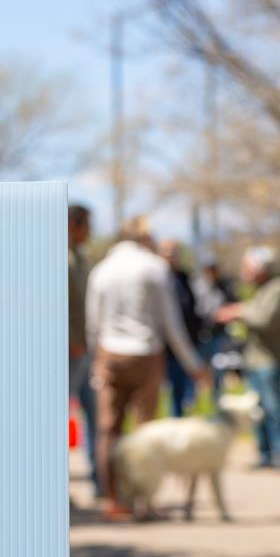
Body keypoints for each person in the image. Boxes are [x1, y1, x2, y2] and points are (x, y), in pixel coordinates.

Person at [87, 216, 210, 519]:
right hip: (145, 354)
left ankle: (113, 498)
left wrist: (96, 361)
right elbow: (171, 323)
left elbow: (93, 323)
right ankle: (144, 501)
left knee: (109, 428)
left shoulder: (101, 270)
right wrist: (193, 363)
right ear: (145, 238)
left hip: (110, 354)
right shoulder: (153, 268)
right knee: (146, 431)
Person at [216, 246, 280, 470]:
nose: (246, 273)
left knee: (273, 408)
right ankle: (266, 454)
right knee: (257, 411)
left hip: (269, 360)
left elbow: (265, 320)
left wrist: (239, 312)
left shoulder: (279, 289)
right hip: (255, 359)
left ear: (262, 268)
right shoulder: (261, 290)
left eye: (249, 268)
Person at [68, 204, 99, 496]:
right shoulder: (62, 259)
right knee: (60, 417)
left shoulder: (80, 258)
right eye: (87, 225)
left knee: (94, 412)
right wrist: (73, 340)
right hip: (70, 351)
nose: (90, 232)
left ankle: (99, 480)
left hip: (84, 349)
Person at [158, 238, 207, 417]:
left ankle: (178, 430)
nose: (171, 257)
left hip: (184, 346)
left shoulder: (186, 279)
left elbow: (196, 309)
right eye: (167, 252)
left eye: (174, 253)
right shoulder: (154, 278)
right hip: (160, 348)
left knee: (184, 395)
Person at [195, 258, 238, 399]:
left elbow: (234, 304)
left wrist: (224, 314)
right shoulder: (197, 286)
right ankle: (193, 399)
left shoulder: (224, 286)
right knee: (198, 369)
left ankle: (217, 397)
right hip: (201, 335)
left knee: (218, 368)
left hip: (219, 335)